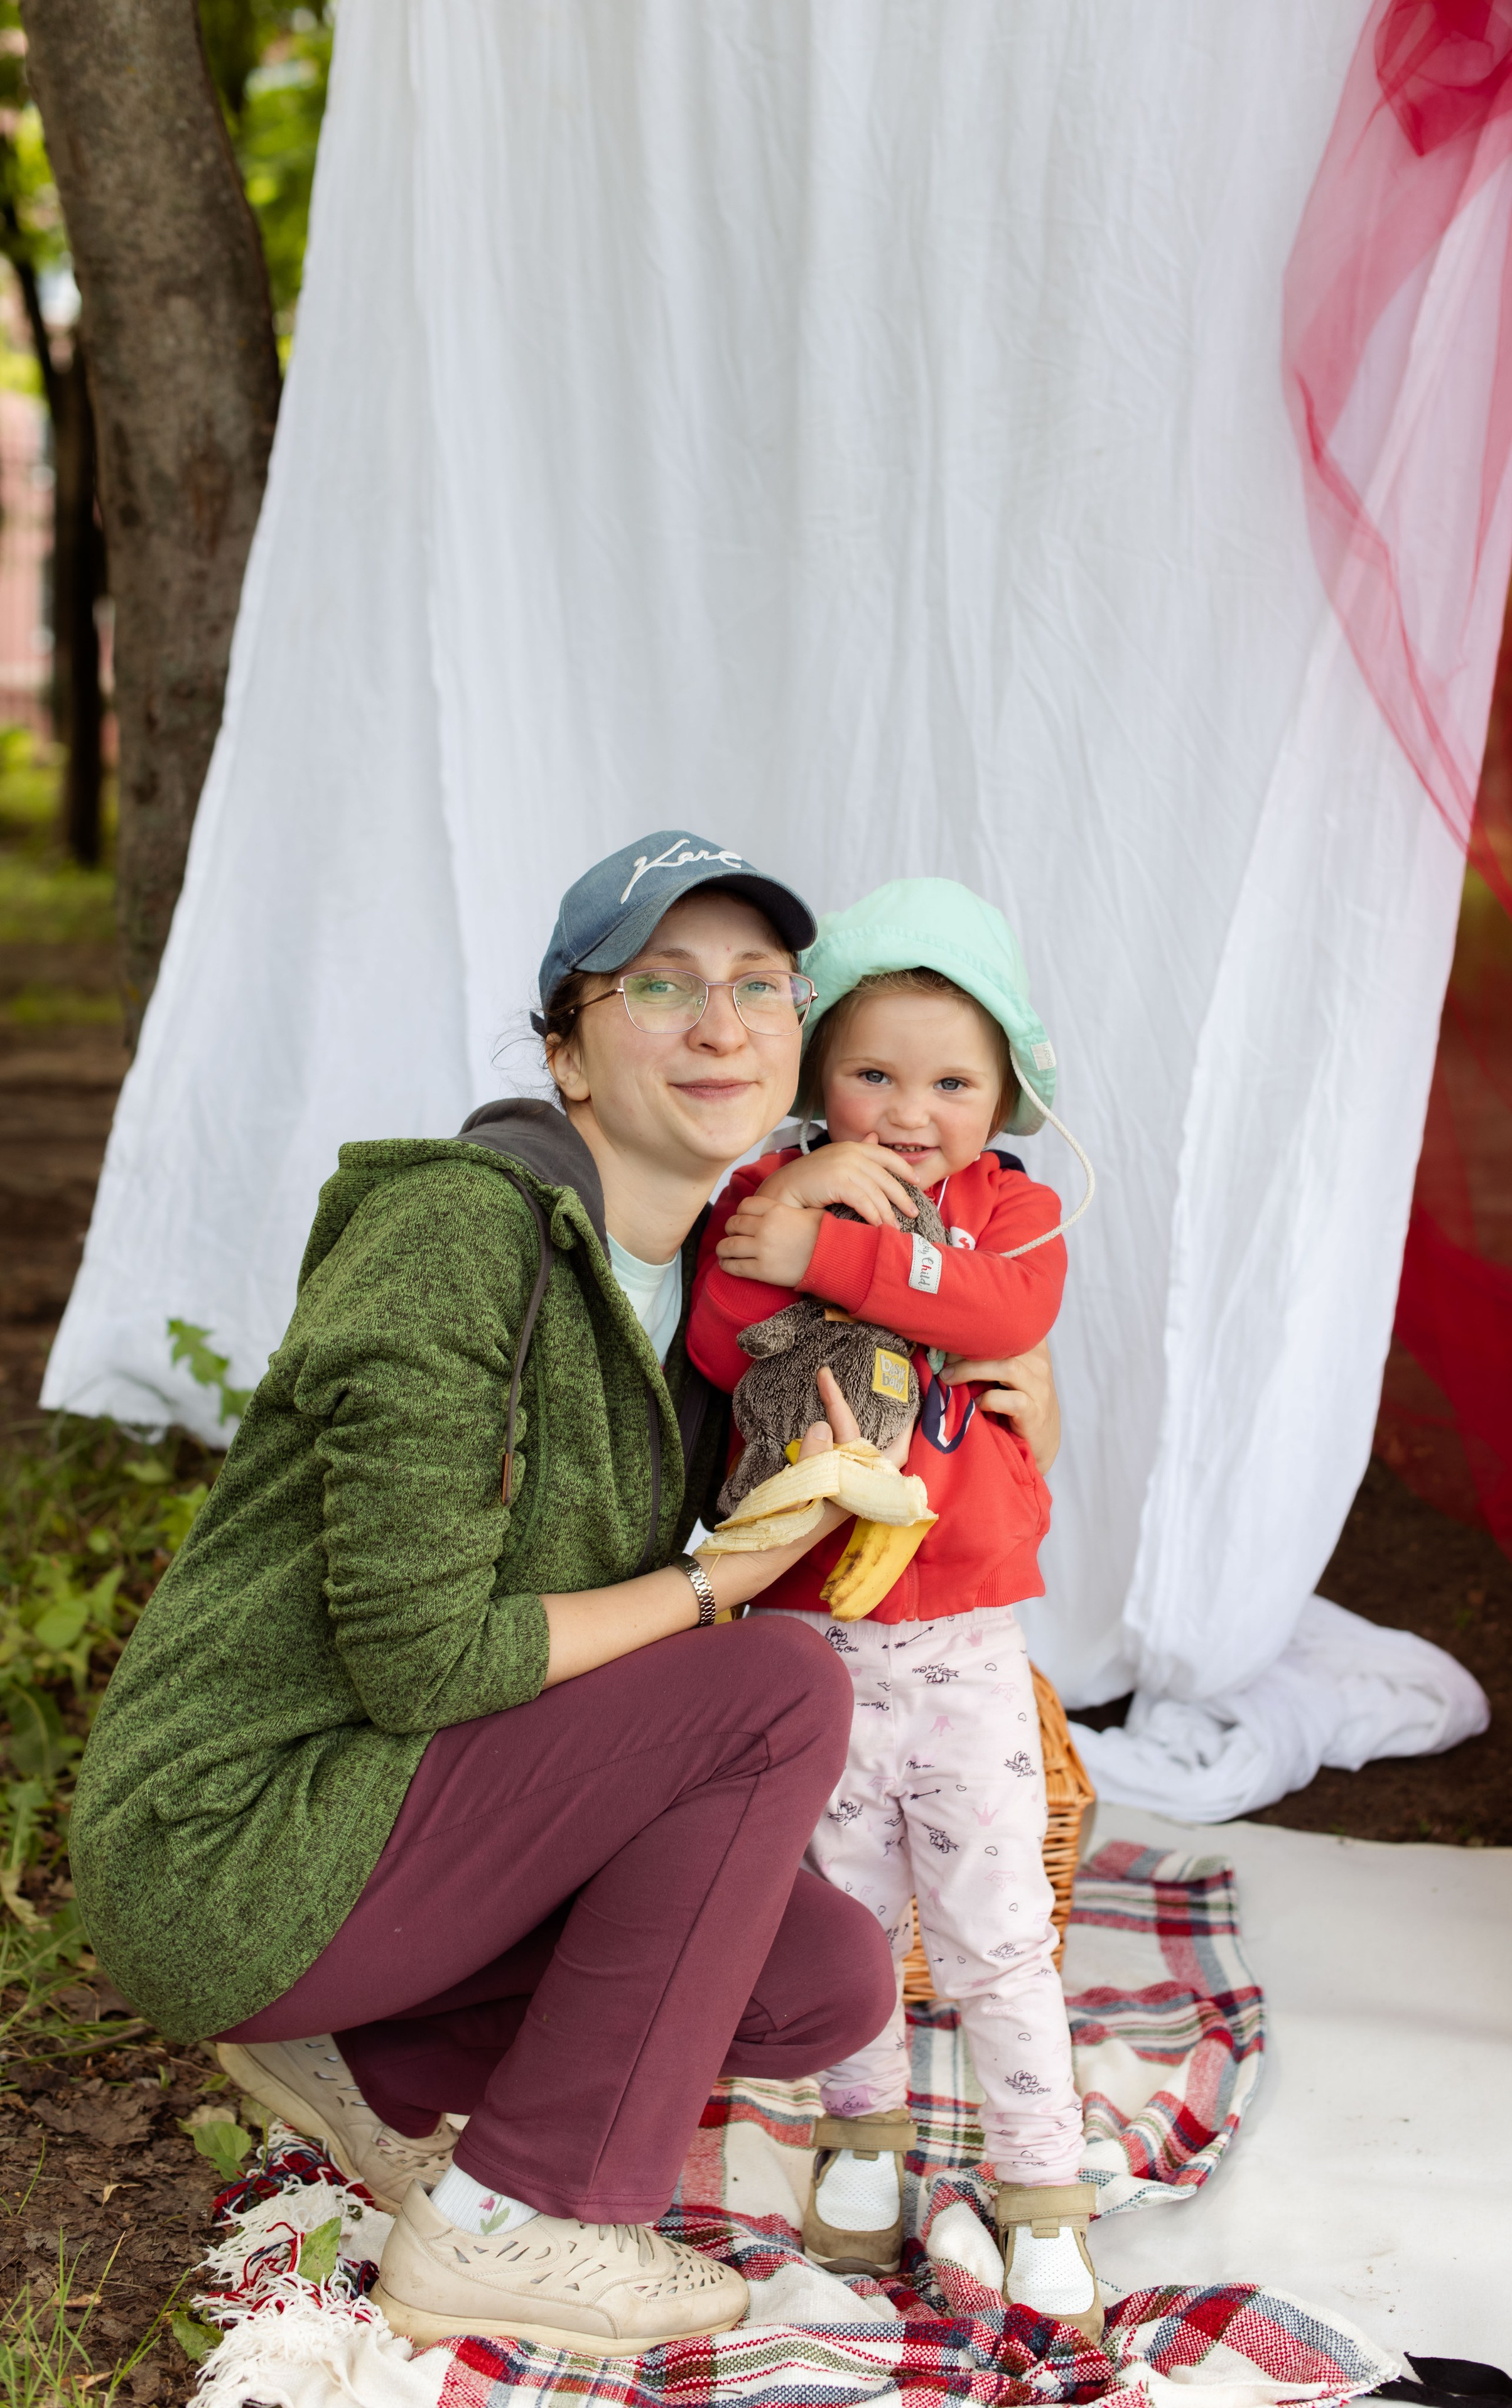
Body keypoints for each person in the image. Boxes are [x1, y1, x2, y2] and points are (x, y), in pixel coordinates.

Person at [68, 833, 907, 2360]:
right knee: (774, 1688)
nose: (717, 1022)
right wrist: (714, 1581)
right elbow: (422, 1654)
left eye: (757, 986)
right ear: (567, 1054)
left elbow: (657, 1701)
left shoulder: (721, 1303)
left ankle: (372, 2064)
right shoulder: (462, 1233)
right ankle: (514, 2216)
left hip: (402, 1828)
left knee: (821, 1981)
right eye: (658, 986)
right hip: (239, 1833)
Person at [687, 877, 1102, 2340]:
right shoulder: (774, 1191)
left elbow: (995, 1315)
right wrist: (794, 1208)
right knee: (846, 1922)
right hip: (813, 1648)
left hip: (964, 1646)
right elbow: (725, 1333)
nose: (908, 1109)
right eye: (871, 1073)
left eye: (949, 1080)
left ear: (1000, 1095)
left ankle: (1041, 2191)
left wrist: (836, 1261)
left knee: (997, 1932)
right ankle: (863, 2144)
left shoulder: (1014, 1212)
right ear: (816, 1082)